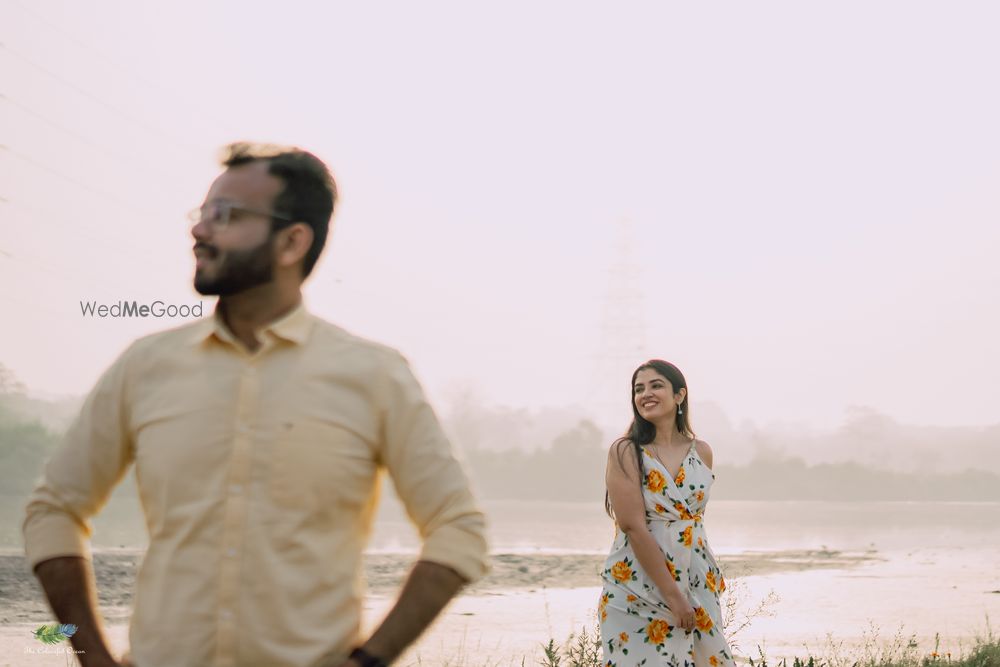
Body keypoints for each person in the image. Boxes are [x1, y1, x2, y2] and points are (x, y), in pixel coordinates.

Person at [23, 143, 489, 667]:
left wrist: (371, 661)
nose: (200, 231)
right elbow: (54, 510)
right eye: (202, 214)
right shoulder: (145, 366)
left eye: (227, 216)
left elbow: (458, 528)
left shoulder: (373, 376)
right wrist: (93, 658)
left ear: (292, 241)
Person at [599, 360, 735, 667]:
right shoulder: (625, 451)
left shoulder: (702, 452)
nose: (646, 393)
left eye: (656, 385)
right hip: (636, 587)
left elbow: (691, 524)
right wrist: (674, 596)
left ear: (679, 395)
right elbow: (633, 527)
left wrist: (693, 590)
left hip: (696, 582)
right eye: (638, 389)